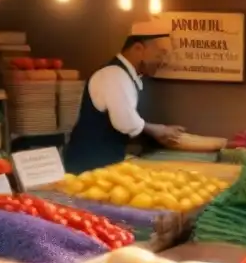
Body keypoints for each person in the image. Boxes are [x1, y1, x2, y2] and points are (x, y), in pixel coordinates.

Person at [64, 19, 184, 174]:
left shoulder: (127, 76)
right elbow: (124, 121)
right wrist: (158, 130)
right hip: (88, 166)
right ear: (138, 48)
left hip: (103, 164)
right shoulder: (114, 75)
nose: (162, 62)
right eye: (159, 55)